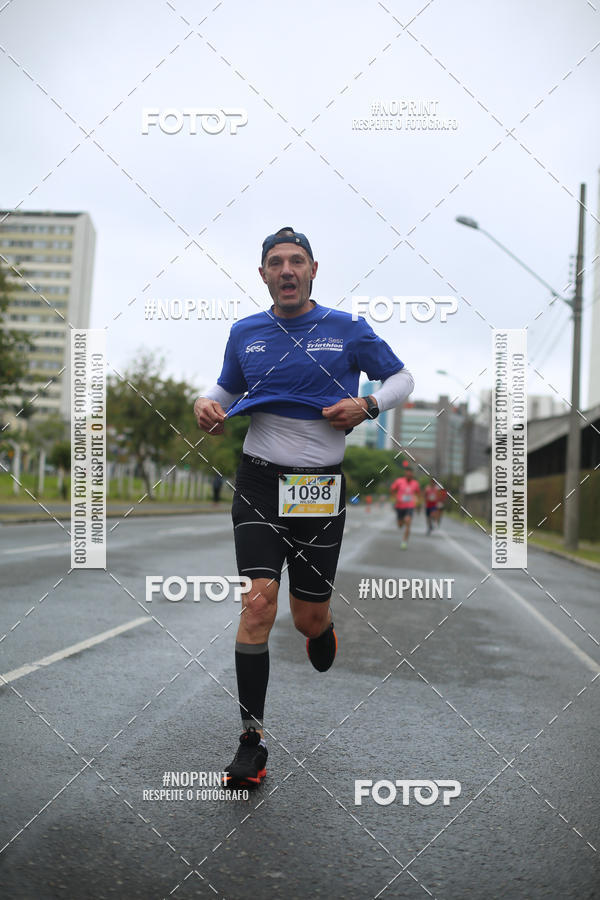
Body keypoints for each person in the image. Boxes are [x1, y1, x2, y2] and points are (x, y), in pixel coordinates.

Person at [193, 227, 414, 787]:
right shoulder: (246, 333)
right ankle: (251, 742)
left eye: (296, 261)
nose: (286, 270)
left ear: (314, 269)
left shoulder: (346, 329)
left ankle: (322, 627)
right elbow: (223, 389)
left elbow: (402, 377)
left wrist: (367, 404)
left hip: (317, 488)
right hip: (260, 480)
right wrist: (206, 403)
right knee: (258, 605)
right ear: (262, 274)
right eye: (275, 263)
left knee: (304, 616)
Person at [390, 466, 421, 548]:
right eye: (407, 474)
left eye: (410, 474)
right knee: (400, 525)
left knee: (408, 521)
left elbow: (418, 494)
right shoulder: (399, 481)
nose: (409, 475)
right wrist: (395, 498)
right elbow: (392, 489)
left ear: (412, 474)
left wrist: (417, 502)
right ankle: (402, 521)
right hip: (399, 506)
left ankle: (404, 542)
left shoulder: (415, 483)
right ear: (405, 474)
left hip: (410, 506)